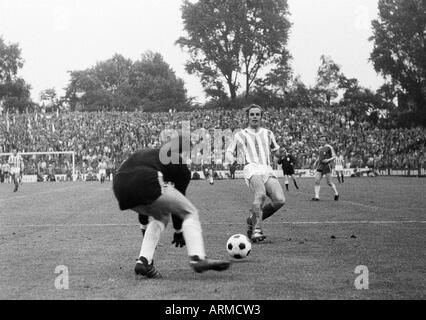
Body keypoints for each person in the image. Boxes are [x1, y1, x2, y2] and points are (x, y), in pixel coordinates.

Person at [112, 136, 230, 279]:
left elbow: (143, 197)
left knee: (161, 216)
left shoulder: (146, 153)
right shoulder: (179, 164)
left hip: (119, 185)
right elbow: (178, 205)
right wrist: (178, 230)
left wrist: (144, 227)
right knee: (189, 211)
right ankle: (197, 258)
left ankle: (143, 261)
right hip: (146, 180)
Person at [226, 104, 285, 243]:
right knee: (261, 194)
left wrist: (280, 153)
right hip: (251, 168)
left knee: (280, 200)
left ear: (261, 117)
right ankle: (257, 230)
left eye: (257, 114)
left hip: (266, 168)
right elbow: (229, 152)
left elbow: (276, 151)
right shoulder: (240, 134)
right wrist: (233, 160)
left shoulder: (268, 133)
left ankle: (252, 220)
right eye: (252, 114)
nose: (254, 117)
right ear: (248, 116)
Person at [312, 135, 339, 201]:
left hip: (327, 166)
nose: (320, 141)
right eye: (320, 140)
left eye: (322, 140)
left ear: (326, 141)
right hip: (320, 166)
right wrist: (316, 162)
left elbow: (334, 156)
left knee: (329, 182)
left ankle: (336, 193)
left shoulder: (329, 147)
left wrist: (328, 160)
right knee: (316, 180)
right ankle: (317, 196)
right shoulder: (320, 148)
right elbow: (319, 156)